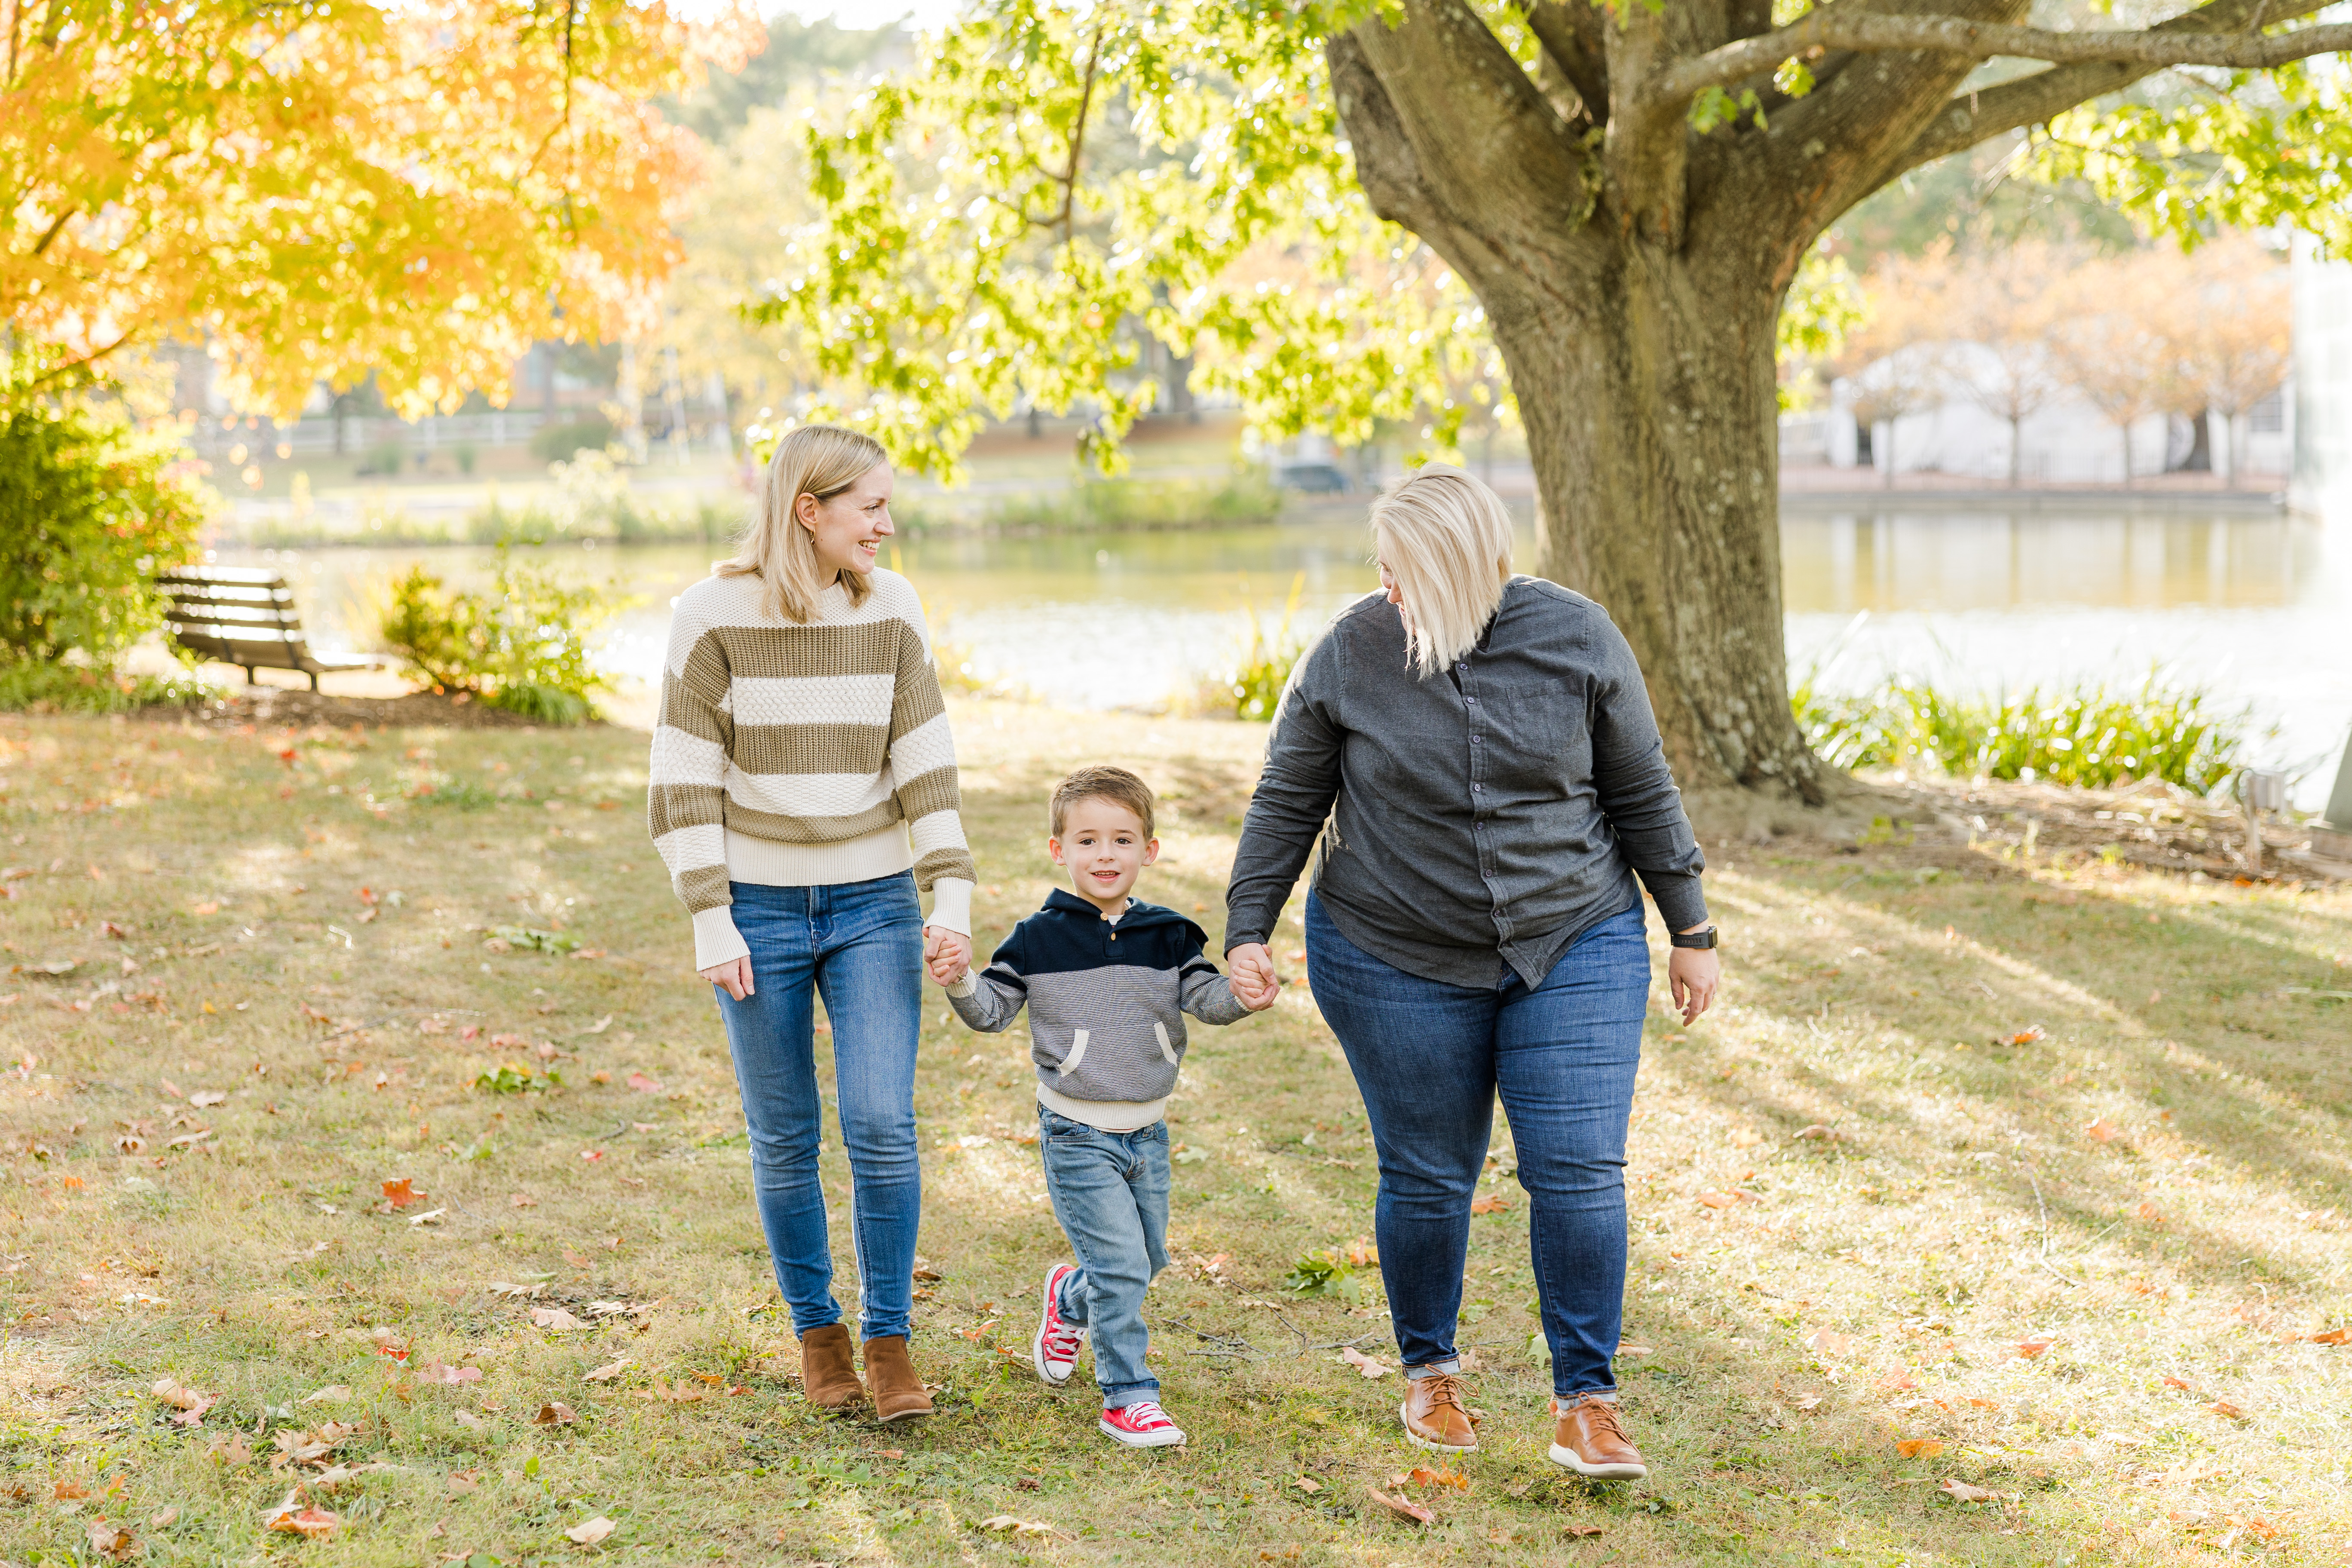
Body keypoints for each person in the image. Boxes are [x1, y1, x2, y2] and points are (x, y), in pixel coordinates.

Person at [1222, 464, 1721, 1480]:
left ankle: (1587, 1402)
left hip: (1571, 937)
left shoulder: (1578, 637)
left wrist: (1691, 926)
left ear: (1454, 568)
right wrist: (1246, 928)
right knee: (1429, 1173)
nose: (1384, 585)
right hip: (1392, 948)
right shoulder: (1355, 650)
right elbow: (1286, 799)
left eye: (1399, 569)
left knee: (1578, 1171)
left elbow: (1641, 787)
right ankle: (1430, 1370)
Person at [647, 423, 977, 1423]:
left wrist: (949, 894)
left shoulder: (893, 607)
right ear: (810, 511)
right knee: (785, 1135)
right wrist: (713, 915)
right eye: (870, 506)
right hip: (756, 908)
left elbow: (926, 760)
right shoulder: (709, 616)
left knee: (881, 1124)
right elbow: (680, 778)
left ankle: (888, 1344)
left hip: (875, 899)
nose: (888, 523)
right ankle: (818, 1336)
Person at [937, 766, 1277, 1447]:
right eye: (1088, 840)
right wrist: (959, 980)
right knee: (1121, 1267)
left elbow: (1206, 1002)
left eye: (1123, 840)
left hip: (1145, 1135)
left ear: (1148, 851)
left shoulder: (1171, 934)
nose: (1106, 855)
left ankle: (1068, 1299)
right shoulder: (1036, 938)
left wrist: (1244, 995)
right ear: (1059, 849)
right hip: (1076, 1130)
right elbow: (992, 1013)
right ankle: (1128, 1395)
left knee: (1143, 1262)